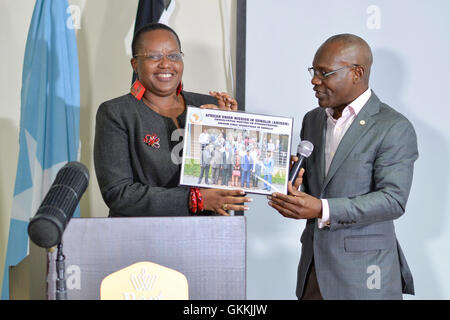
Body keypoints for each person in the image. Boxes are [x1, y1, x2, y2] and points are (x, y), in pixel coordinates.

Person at [267, 34, 418, 300]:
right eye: (314, 71)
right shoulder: (312, 120)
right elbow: (321, 186)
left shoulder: (393, 127)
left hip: (365, 278)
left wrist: (322, 208)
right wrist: (295, 182)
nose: (314, 80)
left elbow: (393, 200)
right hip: (314, 272)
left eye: (325, 73)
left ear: (356, 73)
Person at [94, 23, 251, 217]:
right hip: (143, 237)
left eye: (174, 56)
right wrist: (195, 199)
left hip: (208, 235)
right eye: (154, 56)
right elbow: (118, 194)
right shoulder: (117, 113)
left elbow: (236, 183)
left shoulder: (207, 106)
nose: (166, 64)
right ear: (135, 64)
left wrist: (231, 131)